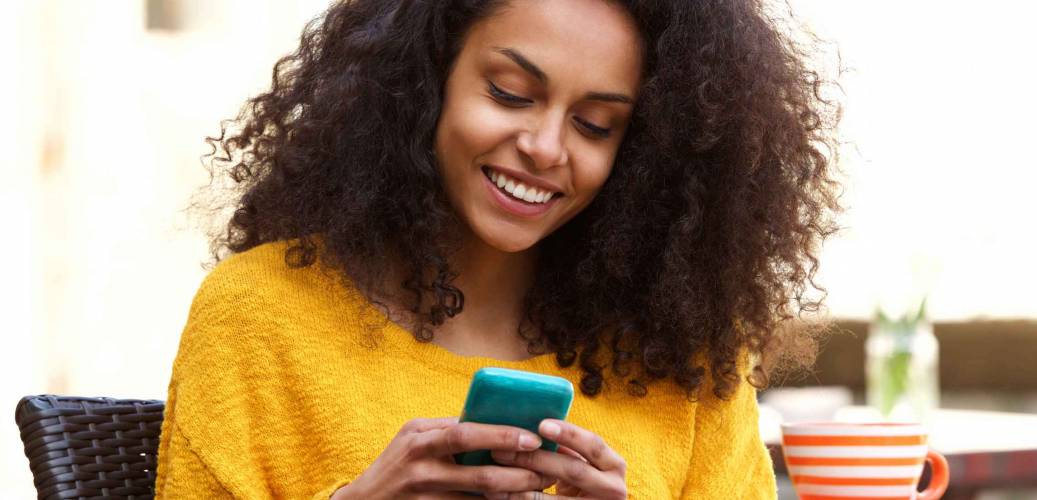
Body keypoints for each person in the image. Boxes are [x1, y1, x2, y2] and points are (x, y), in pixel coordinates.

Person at [155, 0, 841, 498]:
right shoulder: (259, 315)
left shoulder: (681, 358)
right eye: (510, 93)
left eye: (596, 126)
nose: (546, 148)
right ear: (424, 82)